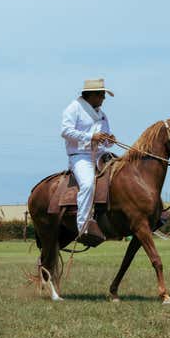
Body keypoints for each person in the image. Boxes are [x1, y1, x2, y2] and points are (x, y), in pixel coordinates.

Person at [61, 78, 118, 241]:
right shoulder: (74, 108)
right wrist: (91, 136)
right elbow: (65, 131)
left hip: (100, 154)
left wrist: (109, 140)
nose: (104, 98)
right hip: (80, 155)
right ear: (90, 95)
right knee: (87, 184)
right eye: (101, 95)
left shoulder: (102, 115)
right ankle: (83, 226)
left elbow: (104, 139)